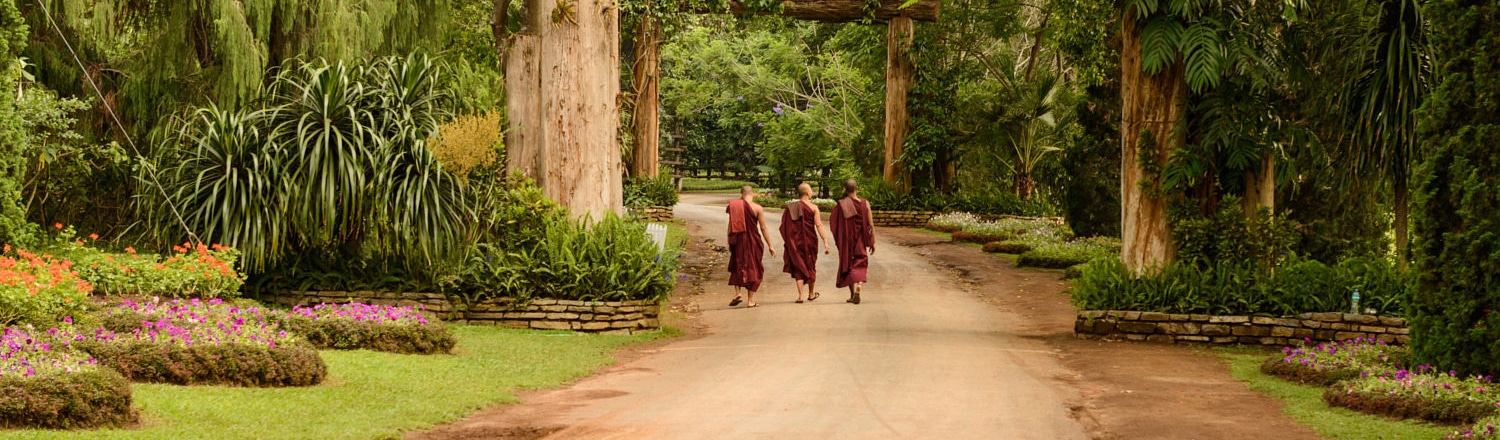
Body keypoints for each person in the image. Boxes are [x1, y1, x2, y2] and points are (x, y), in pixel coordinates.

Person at [779, 183, 832, 303]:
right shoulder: (813, 208)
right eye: (811, 190)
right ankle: (811, 294)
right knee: (810, 266)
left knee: (799, 266)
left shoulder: (791, 207)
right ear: (808, 193)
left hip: (796, 242)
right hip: (810, 241)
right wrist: (825, 241)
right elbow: (818, 225)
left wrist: (789, 242)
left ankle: (801, 296)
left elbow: (784, 227)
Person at [727, 185, 776, 308]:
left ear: (741, 194)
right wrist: (770, 245)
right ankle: (750, 301)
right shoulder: (758, 208)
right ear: (752, 194)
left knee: (737, 265)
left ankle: (738, 293)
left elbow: (730, 226)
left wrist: (729, 241)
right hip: (754, 242)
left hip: (738, 241)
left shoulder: (735, 206)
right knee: (755, 268)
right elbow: (763, 228)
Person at [830, 179, 874, 304]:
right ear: (857, 188)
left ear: (844, 189)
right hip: (860, 240)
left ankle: (851, 294)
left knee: (848, 264)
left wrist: (840, 240)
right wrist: (872, 241)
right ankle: (859, 285)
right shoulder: (865, 204)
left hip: (847, 242)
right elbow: (870, 225)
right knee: (861, 262)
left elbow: (834, 225)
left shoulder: (841, 205)